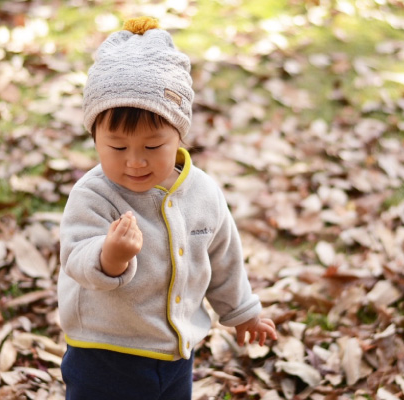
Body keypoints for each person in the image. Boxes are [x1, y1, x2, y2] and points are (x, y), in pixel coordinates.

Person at [57, 16, 277, 400]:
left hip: (176, 354)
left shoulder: (202, 193)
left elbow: (223, 258)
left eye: (153, 147)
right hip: (104, 353)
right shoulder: (94, 194)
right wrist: (111, 256)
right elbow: (76, 257)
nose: (136, 162)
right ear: (95, 138)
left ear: (179, 135)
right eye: (118, 148)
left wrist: (243, 312)